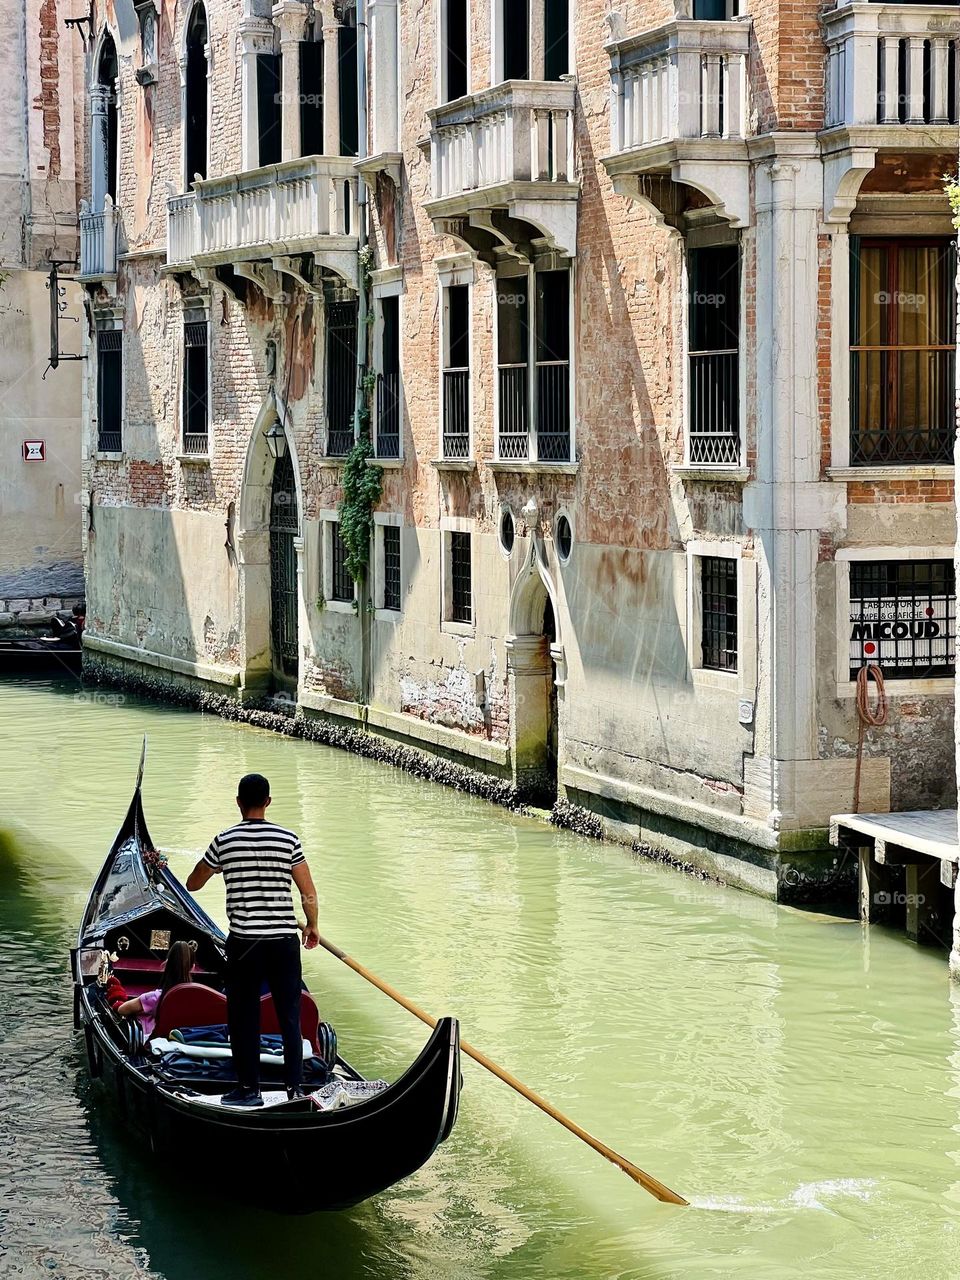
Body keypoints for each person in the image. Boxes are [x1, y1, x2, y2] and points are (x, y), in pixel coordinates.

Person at [186, 773, 320, 1108]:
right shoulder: (288, 840)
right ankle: (295, 1090)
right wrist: (312, 926)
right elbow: (308, 893)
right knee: (290, 1016)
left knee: (244, 1017)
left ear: (238, 803)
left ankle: (249, 1090)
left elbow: (193, 884)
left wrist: (215, 866)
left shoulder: (225, 841)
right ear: (268, 802)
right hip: (283, 941)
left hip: (245, 942)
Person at [116, 939, 195, 1039]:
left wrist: (145, 1010)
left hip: (156, 1043)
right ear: (193, 967)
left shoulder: (155, 997)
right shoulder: (197, 999)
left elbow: (122, 1009)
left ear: (166, 964)